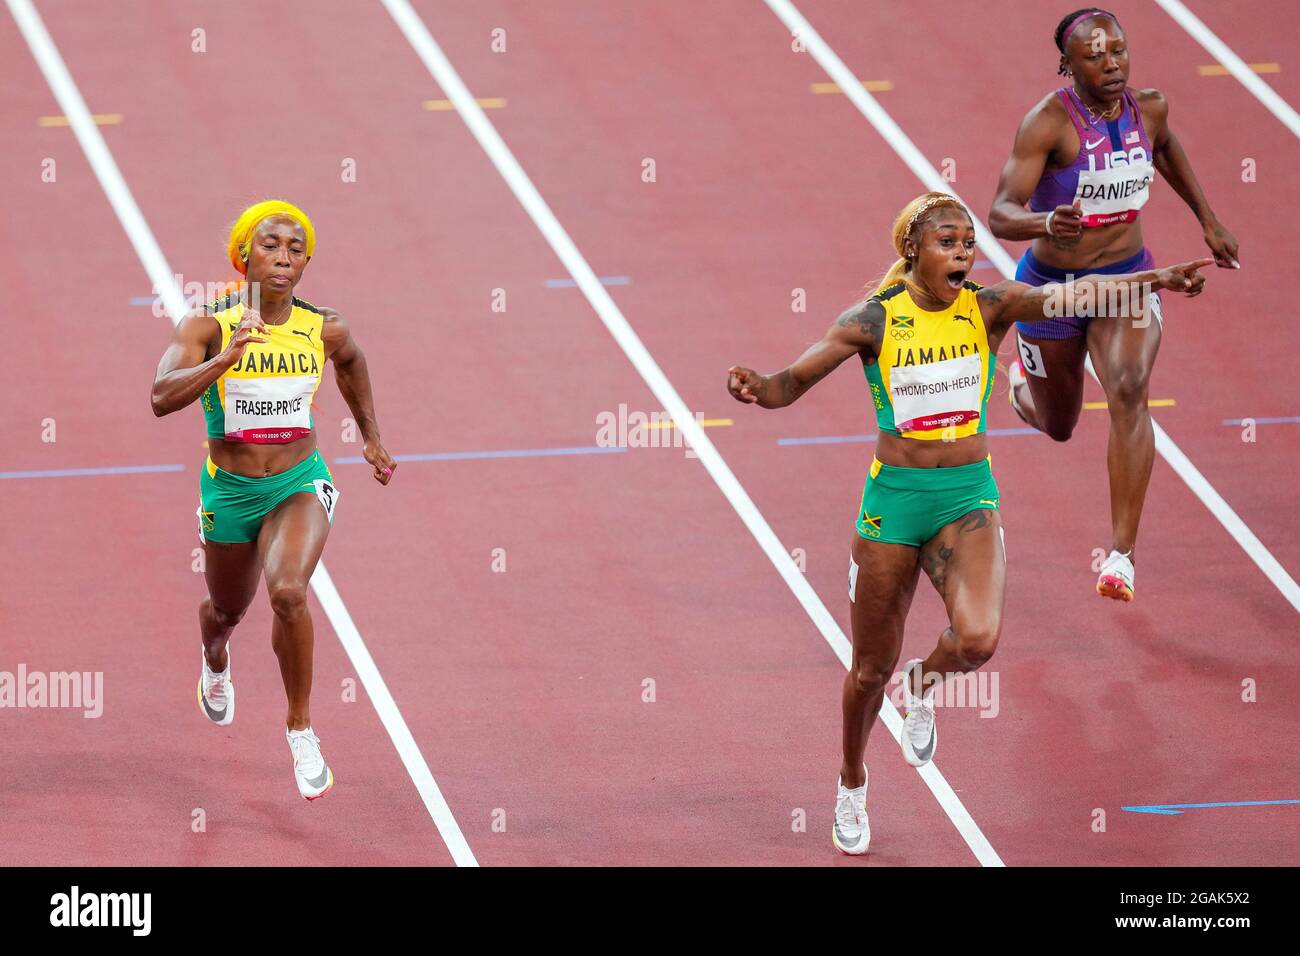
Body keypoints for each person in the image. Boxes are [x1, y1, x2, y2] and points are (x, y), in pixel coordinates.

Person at [726, 191, 1211, 854]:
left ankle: (924, 682)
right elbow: (792, 382)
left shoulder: (990, 306)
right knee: (870, 671)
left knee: (978, 640)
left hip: (967, 498)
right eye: (946, 243)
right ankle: (851, 780)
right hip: (893, 504)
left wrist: (1154, 280)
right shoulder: (873, 321)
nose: (961, 253)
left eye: (966, 243)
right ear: (913, 253)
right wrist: (760, 386)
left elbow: (1079, 295)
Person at [989, 6, 1237, 601]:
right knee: (1059, 425)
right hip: (1052, 287)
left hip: (1128, 278)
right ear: (1067, 65)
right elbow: (1000, 211)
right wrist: (1046, 220)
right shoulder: (1047, 124)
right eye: (1095, 55)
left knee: (1127, 385)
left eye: (1119, 50)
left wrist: (1209, 221)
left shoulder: (1148, 108)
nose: (1112, 63)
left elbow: (1167, 147)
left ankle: (1121, 557)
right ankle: (1023, 385)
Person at [151, 200, 396, 800]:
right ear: (243, 256)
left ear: (306, 261)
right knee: (227, 610)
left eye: (294, 247)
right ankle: (214, 655)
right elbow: (160, 396)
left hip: (298, 482)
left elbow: (352, 361)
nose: (283, 257)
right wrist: (227, 359)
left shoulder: (323, 326)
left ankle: (300, 728)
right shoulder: (206, 327)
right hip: (230, 491)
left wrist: (371, 437)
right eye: (269, 245)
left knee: (288, 591)